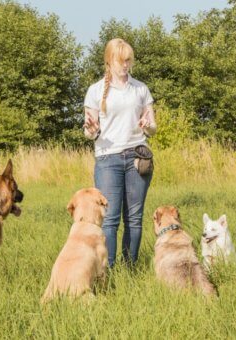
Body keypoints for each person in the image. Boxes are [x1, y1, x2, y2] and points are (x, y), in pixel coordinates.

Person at [83, 38, 157, 267]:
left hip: (137, 157)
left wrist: (148, 124)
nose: (125, 65)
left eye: (128, 60)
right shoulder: (95, 91)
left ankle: (130, 269)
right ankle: (109, 270)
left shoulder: (140, 88)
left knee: (134, 219)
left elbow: (153, 128)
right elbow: (88, 131)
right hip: (108, 158)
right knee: (110, 219)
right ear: (109, 60)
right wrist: (92, 129)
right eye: (121, 61)